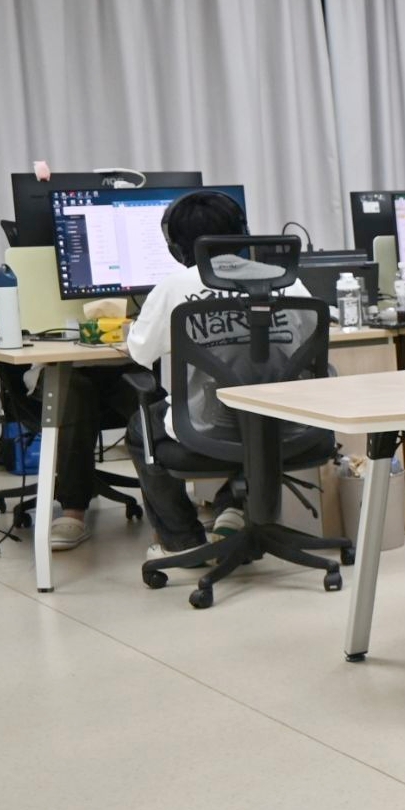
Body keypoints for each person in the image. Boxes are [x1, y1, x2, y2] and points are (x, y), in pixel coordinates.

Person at [124, 189, 252, 564]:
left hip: (206, 426)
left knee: (140, 426)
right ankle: (234, 507)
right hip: (286, 425)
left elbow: (141, 353)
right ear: (243, 234)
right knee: (251, 422)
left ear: (176, 249)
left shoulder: (174, 288)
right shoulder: (287, 278)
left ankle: (183, 542)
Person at [0, 288, 138, 552]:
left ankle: (172, 515)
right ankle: (73, 513)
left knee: (152, 399)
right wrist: (25, 319)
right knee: (75, 392)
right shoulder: (28, 274)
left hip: (120, 366)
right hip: (58, 374)